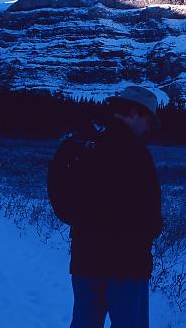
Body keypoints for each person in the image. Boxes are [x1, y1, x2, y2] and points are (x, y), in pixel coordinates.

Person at [67, 86, 163, 328]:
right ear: (133, 112)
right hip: (127, 265)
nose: (149, 128)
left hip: (85, 258)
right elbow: (150, 212)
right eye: (149, 120)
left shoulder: (86, 142)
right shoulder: (136, 153)